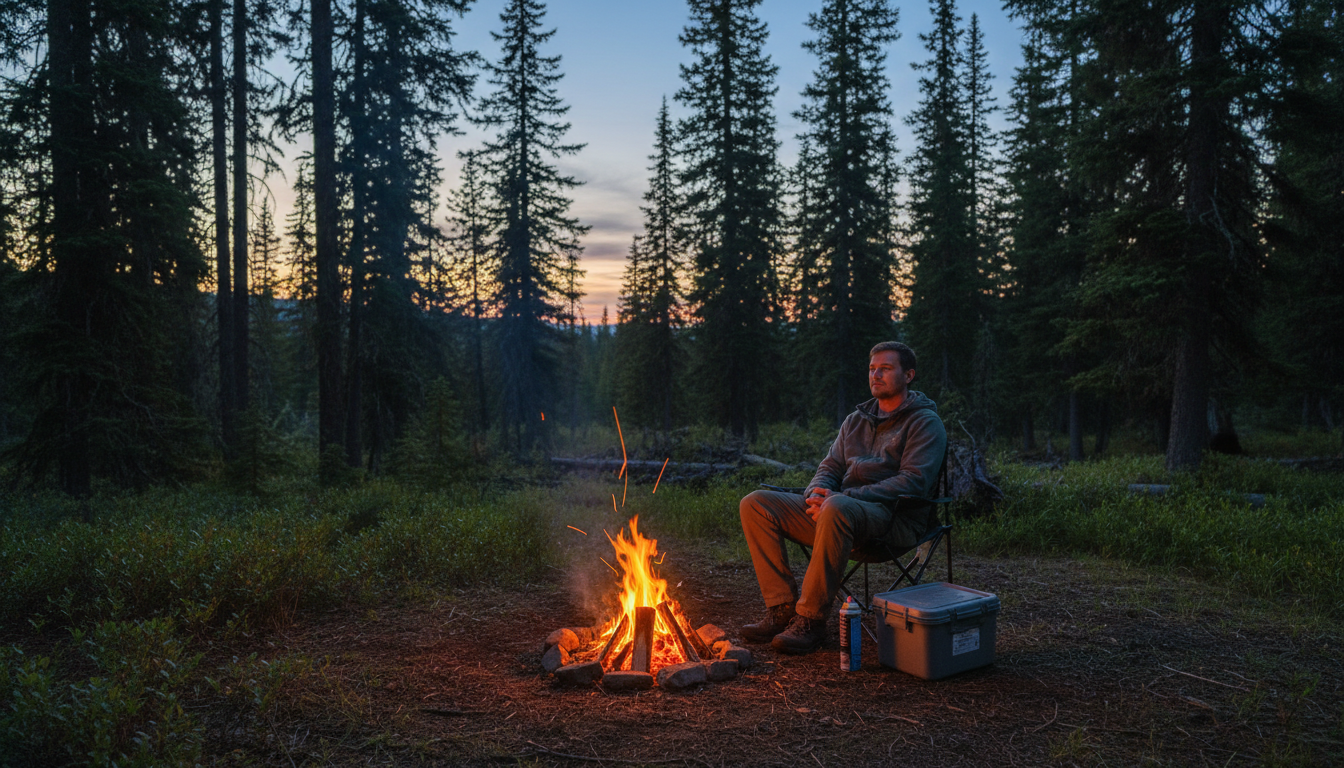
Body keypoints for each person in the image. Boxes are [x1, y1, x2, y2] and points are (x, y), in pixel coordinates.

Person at [738, 341, 947, 654]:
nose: (876, 375)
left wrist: (842, 496)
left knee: (837, 506)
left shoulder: (925, 423)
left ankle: (810, 620)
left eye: (886, 369)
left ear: (909, 375)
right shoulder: (855, 421)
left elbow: (914, 482)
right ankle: (781, 608)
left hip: (894, 520)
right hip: (839, 517)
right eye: (872, 369)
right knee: (755, 503)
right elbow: (829, 467)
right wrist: (815, 494)